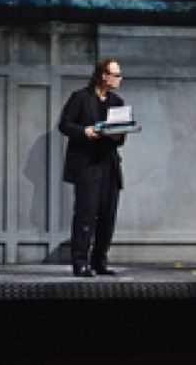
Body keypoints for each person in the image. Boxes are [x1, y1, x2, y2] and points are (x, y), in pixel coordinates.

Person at [59, 58, 126, 277]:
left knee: (108, 214)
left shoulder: (117, 101)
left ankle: (100, 260)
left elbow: (121, 137)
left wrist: (117, 136)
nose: (119, 79)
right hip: (87, 164)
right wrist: (84, 131)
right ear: (104, 76)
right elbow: (65, 124)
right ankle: (80, 262)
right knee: (86, 214)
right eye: (116, 75)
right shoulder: (81, 98)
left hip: (109, 164)